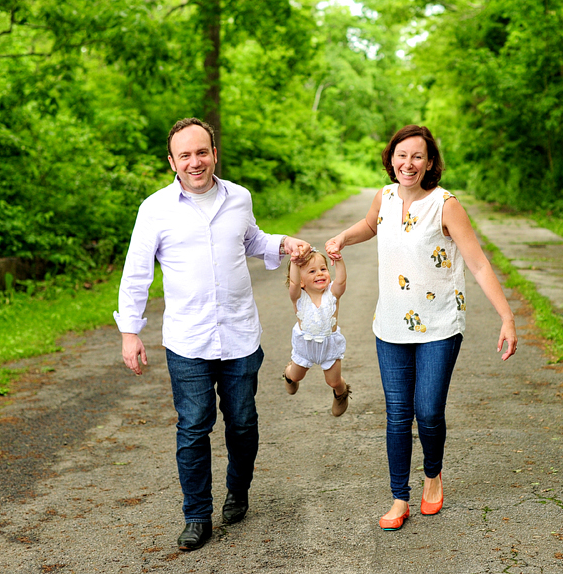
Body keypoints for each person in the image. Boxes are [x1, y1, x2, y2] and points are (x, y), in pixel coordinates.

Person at [114, 118, 311, 551]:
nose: (195, 161)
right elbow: (136, 275)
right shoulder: (155, 210)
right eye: (184, 155)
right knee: (193, 426)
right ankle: (197, 515)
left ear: (214, 153)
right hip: (188, 340)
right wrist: (131, 332)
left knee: (242, 423)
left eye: (201, 152)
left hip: (240, 335)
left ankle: (238, 490)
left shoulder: (239, 197)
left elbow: (253, 240)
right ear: (172, 162)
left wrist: (283, 244)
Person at [325, 124, 517, 531]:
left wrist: (507, 316)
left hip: (440, 326)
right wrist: (343, 236)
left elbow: (479, 263)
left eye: (417, 156)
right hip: (390, 326)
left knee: (427, 411)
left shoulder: (446, 206)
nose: (407, 163)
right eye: (401, 155)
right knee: (397, 414)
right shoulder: (385, 196)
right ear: (391, 158)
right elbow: (371, 225)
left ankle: (433, 474)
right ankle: (399, 498)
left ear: (429, 162)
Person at [283, 249, 352, 416]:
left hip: (329, 346)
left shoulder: (332, 293)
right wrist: (294, 261)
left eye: (323, 269)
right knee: (296, 376)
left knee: (333, 381)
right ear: (301, 281)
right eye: (312, 271)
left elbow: (341, 281)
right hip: (305, 347)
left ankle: (341, 393)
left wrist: (339, 260)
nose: (319, 274)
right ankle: (288, 374)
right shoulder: (298, 297)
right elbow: (292, 283)